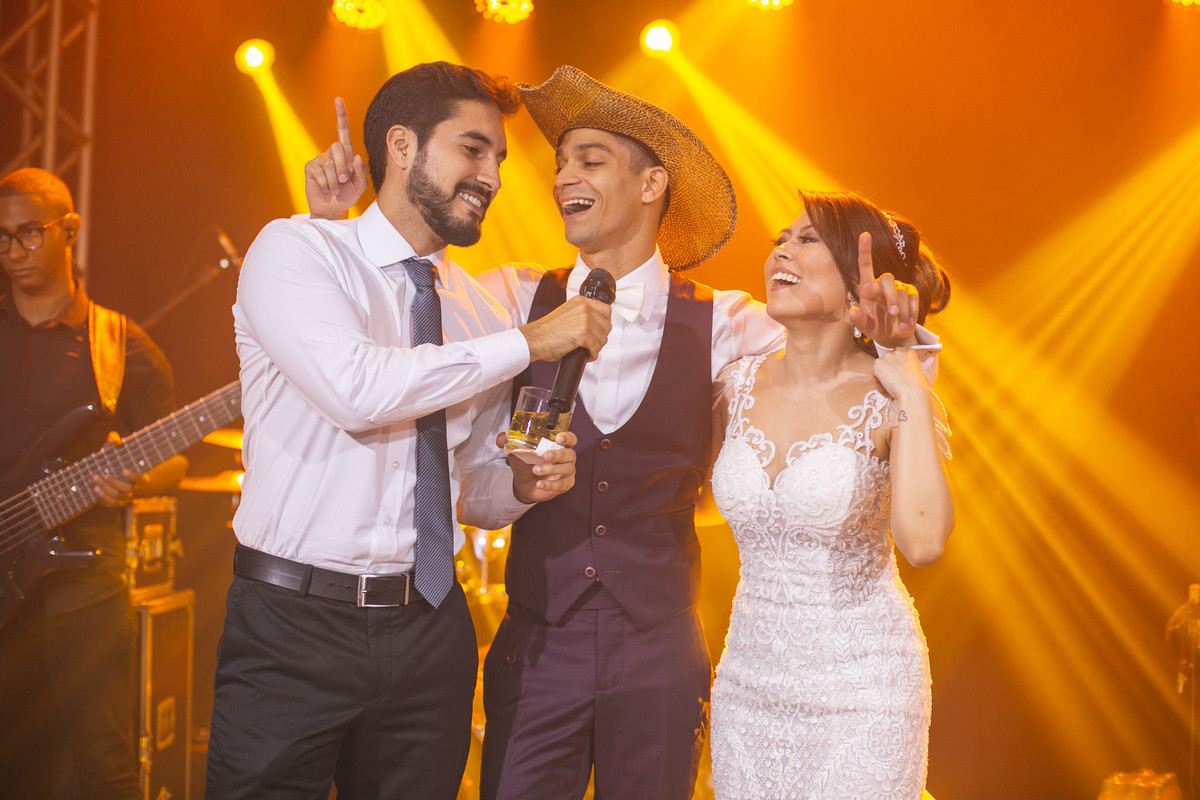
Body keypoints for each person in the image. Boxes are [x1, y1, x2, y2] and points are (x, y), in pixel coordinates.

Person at [304, 66, 939, 800]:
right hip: (538, 644)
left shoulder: (728, 322)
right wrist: (336, 226)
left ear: (651, 184)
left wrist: (896, 325)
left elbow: (856, 349)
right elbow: (384, 317)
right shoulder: (509, 297)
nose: (563, 176)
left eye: (590, 159)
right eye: (560, 163)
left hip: (660, 649)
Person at [205, 62, 612, 800]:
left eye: (500, 160)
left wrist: (519, 485)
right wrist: (532, 342)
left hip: (431, 626)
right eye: (472, 149)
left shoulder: (477, 312)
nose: (491, 175)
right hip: (293, 624)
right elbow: (360, 391)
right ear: (402, 145)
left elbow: (469, 491)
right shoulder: (298, 252)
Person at [708, 190, 954, 799]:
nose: (782, 250)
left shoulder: (892, 392)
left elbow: (922, 542)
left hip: (864, 686)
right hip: (747, 683)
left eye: (808, 239)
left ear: (859, 285)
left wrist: (908, 381)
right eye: (781, 240)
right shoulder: (732, 387)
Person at [0, 167, 186, 799]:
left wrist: (131, 481)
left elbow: (175, 458)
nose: (13, 252)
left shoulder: (120, 344)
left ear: (68, 230)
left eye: (28, 234)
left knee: (101, 760)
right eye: (1, 238)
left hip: (83, 578)